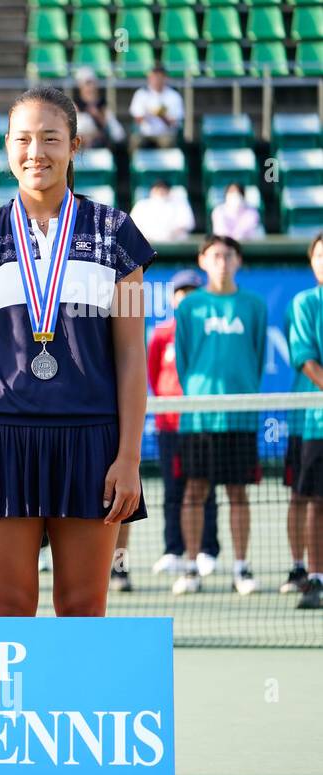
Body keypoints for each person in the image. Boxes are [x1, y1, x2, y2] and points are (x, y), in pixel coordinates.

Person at [0, 86, 153, 618]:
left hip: (92, 443)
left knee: (83, 610)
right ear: (7, 148)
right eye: (23, 139)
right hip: (3, 442)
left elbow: (131, 357)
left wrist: (128, 457)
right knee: (8, 609)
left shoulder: (117, 235)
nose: (36, 151)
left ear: (75, 146)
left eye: (51, 138)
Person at [172, 235, 267, 596]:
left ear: (238, 261)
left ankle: (241, 568)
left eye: (229, 256)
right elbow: (183, 361)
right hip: (198, 417)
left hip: (240, 417)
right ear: (202, 261)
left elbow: (256, 359)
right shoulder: (189, 307)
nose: (222, 262)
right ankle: (192, 567)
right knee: (194, 491)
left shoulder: (254, 306)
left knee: (238, 493)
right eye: (215, 256)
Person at [148, 269, 221, 577]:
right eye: (181, 291)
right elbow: (152, 374)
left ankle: (207, 549)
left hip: (201, 422)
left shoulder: (210, 331)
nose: (186, 296)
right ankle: (173, 549)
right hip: (169, 424)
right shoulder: (161, 334)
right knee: (173, 489)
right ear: (173, 298)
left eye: (192, 290)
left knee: (205, 489)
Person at [285, 233, 323, 609]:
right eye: (320, 256)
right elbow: (306, 358)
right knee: (313, 498)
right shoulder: (305, 303)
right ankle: (315, 576)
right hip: (314, 422)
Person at [129, 66, 184, 149]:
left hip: (165, 134)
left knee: (168, 142)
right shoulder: (141, 94)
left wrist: (161, 115)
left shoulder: (174, 96)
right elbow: (137, 119)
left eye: (160, 77)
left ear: (165, 78)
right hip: (145, 134)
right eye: (154, 77)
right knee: (135, 140)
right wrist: (148, 113)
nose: (157, 80)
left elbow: (175, 123)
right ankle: (132, 162)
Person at [72, 68, 124, 149]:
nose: (91, 87)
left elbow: (118, 134)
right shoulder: (74, 106)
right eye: (87, 84)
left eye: (92, 83)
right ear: (81, 86)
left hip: (98, 146)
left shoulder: (102, 107)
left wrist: (98, 116)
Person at [130, 180, 194, 243]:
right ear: (151, 190)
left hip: (174, 244)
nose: (160, 191)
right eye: (157, 188)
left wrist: (171, 235)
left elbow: (187, 224)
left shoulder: (179, 205)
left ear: (169, 191)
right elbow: (132, 226)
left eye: (164, 189)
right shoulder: (141, 205)